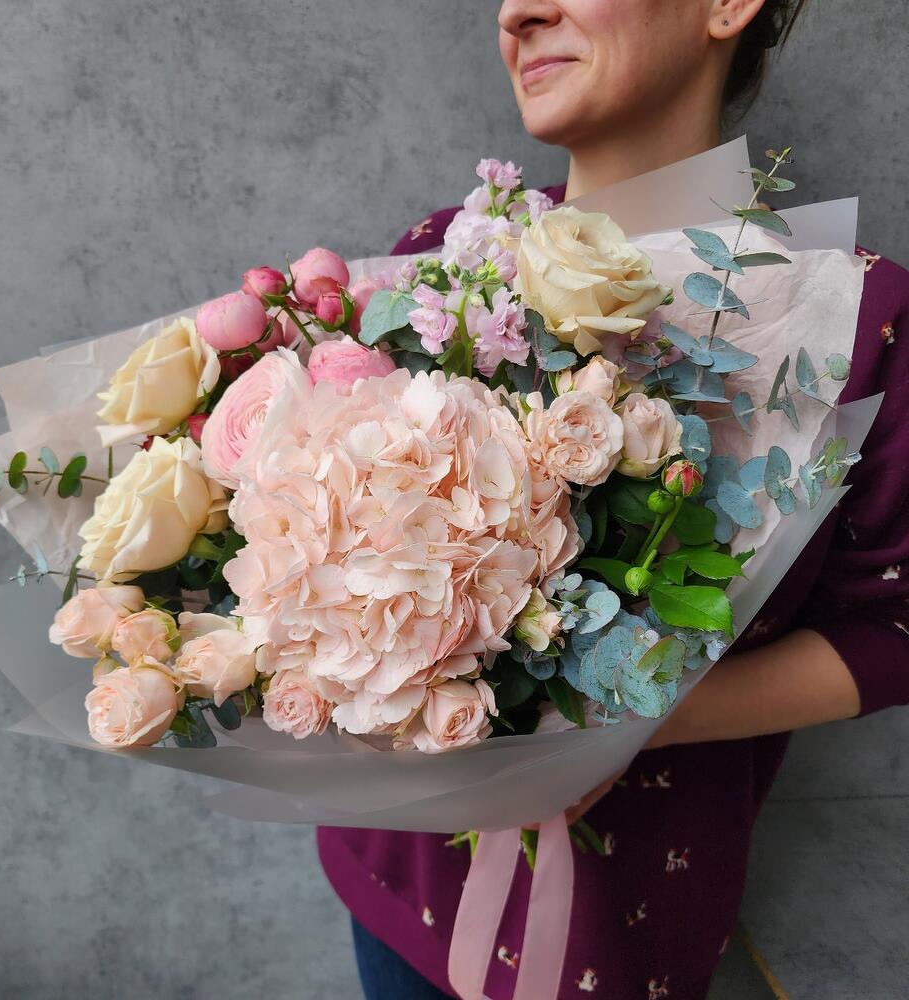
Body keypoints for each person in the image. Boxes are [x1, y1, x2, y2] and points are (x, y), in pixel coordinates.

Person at [317, 2, 909, 996]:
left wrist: (641, 716)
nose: (516, 13)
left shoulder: (854, 321)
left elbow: (897, 624)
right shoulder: (443, 262)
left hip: (623, 926)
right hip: (397, 880)